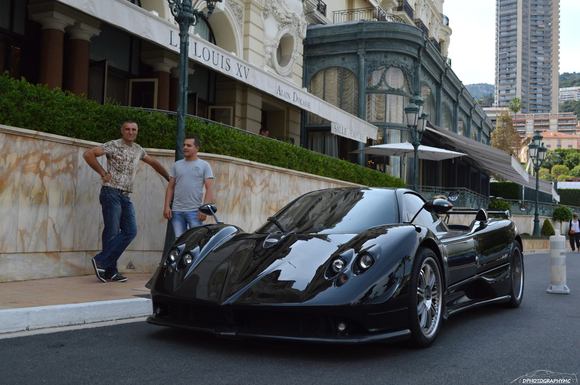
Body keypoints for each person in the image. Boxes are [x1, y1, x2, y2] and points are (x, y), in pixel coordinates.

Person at [84, 121, 170, 283]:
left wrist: (168, 178)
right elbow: (88, 154)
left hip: (125, 196)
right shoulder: (113, 145)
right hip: (111, 192)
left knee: (130, 231)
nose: (131, 132)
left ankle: (104, 263)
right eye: (128, 129)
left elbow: (153, 163)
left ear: (137, 132)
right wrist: (102, 172)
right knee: (112, 232)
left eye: (134, 130)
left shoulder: (138, 149)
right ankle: (110, 269)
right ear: (122, 131)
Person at [163, 136, 215, 238]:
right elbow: (170, 187)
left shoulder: (204, 165)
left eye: (189, 145)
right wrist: (166, 206)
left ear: (197, 148)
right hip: (177, 212)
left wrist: (204, 209)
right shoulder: (176, 165)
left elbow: (209, 188)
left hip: (195, 212)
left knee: (195, 242)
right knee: (179, 242)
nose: (185, 147)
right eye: (184, 145)